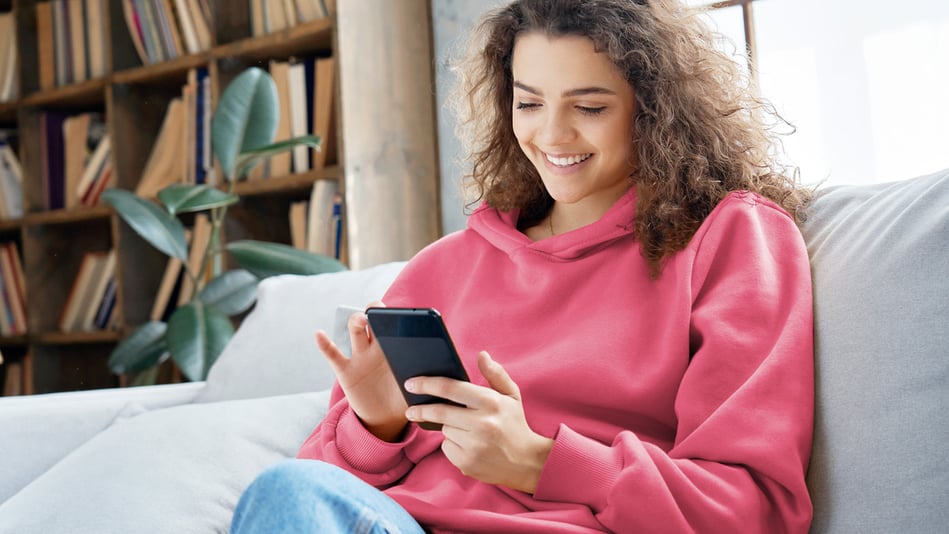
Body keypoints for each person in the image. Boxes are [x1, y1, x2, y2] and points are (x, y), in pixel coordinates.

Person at [230, 0, 815, 532]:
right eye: (530, 102)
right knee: (286, 491)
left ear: (654, 111)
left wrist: (540, 462)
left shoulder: (731, 237)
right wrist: (377, 426)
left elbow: (753, 510)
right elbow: (314, 494)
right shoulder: (446, 265)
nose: (552, 134)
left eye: (588, 105)